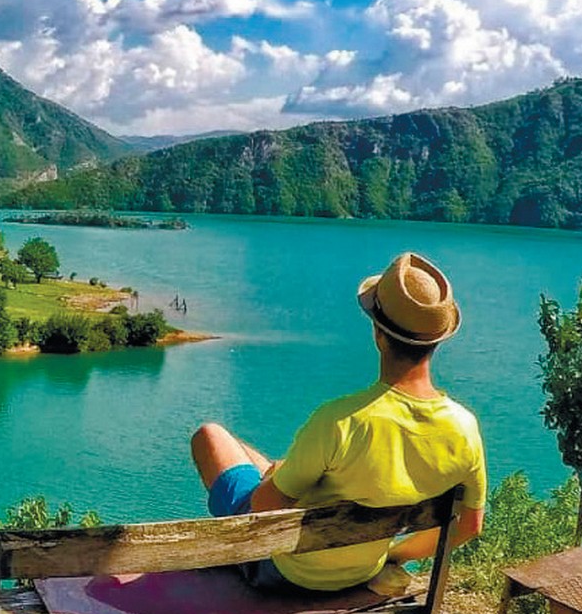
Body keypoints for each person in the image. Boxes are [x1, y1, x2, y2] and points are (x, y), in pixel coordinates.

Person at [191, 252, 486, 594]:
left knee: (210, 436)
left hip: (282, 571)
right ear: (437, 340)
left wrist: (274, 477)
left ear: (378, 334)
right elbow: (469, 525)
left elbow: (263, 507)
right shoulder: (465, 429)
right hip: (362, 571)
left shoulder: (341, 421)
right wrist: (392, 556)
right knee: (262, 461)